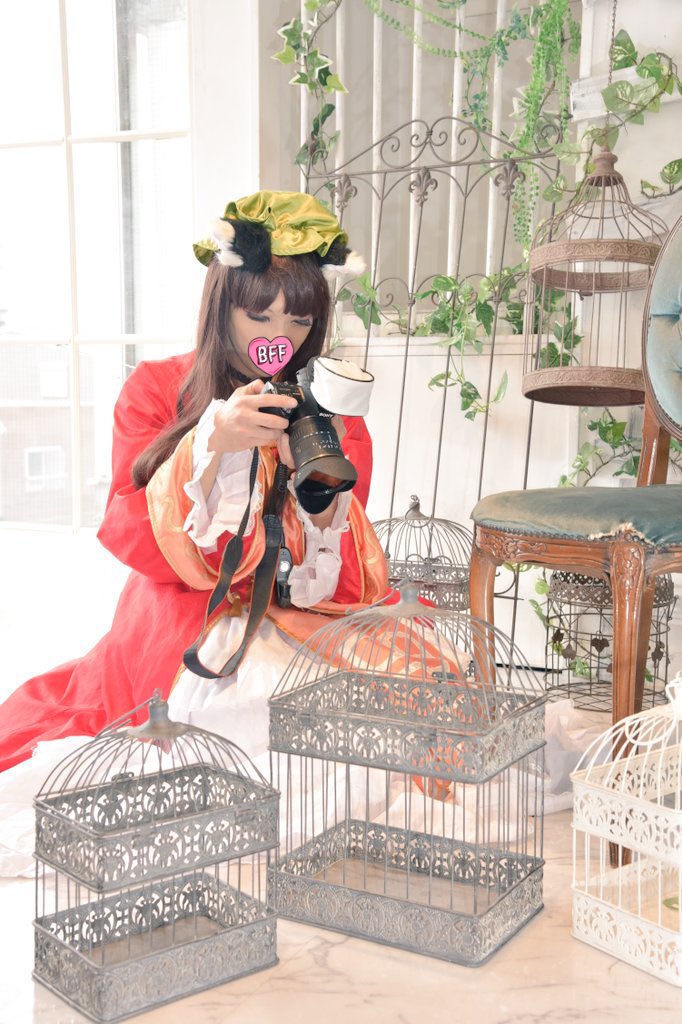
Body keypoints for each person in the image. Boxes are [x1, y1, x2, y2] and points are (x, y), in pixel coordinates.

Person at [0, 191, 388, 797]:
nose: (280, 336)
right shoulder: (157, 388)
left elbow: (341, 552)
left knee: (369, 709)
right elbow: (131, 528)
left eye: (300, 321)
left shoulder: (328, 403)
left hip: (303, 606)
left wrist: (310, 487)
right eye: (259, 316)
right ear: (221, 305)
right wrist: (211, 447)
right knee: (231, 722)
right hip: (185, 608)